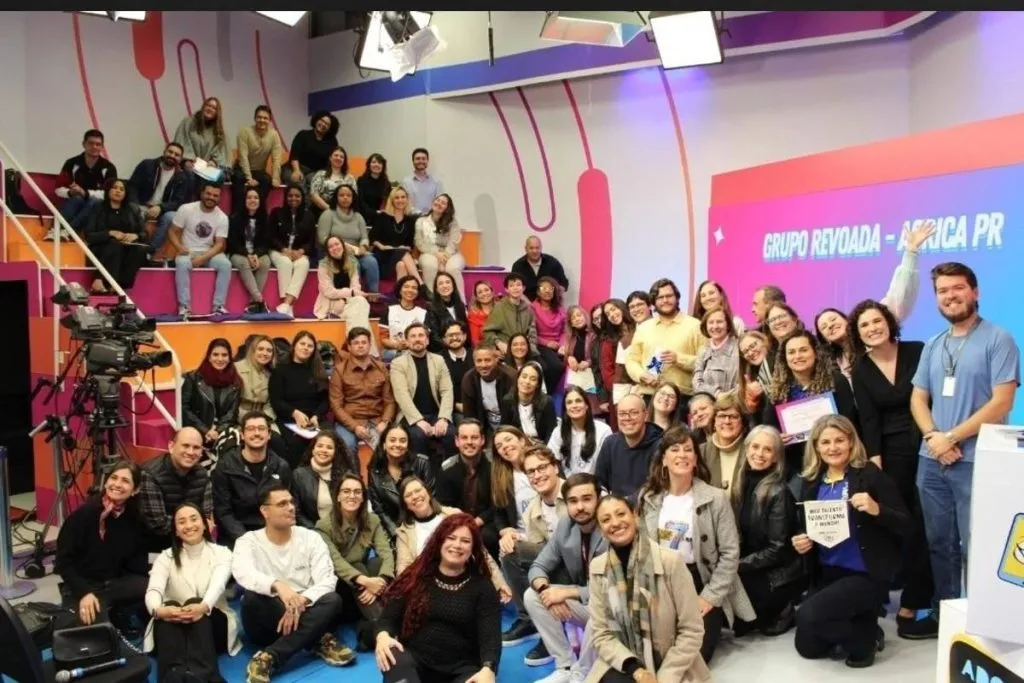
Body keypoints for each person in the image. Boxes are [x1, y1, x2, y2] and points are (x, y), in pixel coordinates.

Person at [910, 262, 1020, 606]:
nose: (950, 296)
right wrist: (934, 437)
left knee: (979, 543)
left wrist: (952, 437)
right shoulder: (933, 344)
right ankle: (946, 613)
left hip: (977, 459)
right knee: (939, 543)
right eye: (942, 291)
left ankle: (980, 615)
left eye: (957, 288)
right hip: (932, 460)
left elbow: (1002, 402)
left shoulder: (998, 339)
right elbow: (918, 398)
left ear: (975, 291)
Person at [791, 415, 911, 668]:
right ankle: (864, 622)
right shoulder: (812, 481)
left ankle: (866, 639)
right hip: (827, 573)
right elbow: (808, 527)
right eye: (825, 442)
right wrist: (803, 541)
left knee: (808, 616)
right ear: (816, 447)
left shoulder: (869, 474)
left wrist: (877, 509)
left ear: (851, 442)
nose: (833, 448)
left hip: (864, 573)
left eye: (839, 440)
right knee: (807, 648)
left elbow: (905, 524)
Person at [849, 298, 937, 638]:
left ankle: (922, 597)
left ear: (888, 321)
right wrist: (875, 461)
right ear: (857, 334)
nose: (872, 328)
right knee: (905, 523)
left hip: (929, 441)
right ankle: (905, 593)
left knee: (929, 522)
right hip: (892, 452)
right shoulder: (861, 368)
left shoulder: (918, 350)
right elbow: (869, 419)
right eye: (864, 325)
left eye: (876, 321)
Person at [636, 426, 754, 663]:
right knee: (655, 649)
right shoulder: (648, 497)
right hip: (661, 581)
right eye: (674, 449)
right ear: (664, 459)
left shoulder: (716, 498)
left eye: (688, 449)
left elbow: (730, 554)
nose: (682, 454)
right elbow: (642, 551)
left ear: (696, 458)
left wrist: (709, 597)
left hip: (701, 581)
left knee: (696, 656)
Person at [232, 483, 355, 681]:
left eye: (291, 502)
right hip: (269, 621)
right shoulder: (248, 541)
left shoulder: (311, 538)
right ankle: (318, 639)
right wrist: (278, 585)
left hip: (305, 609)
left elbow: (327, 579)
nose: (290, 507)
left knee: (333, 599)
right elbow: (243, 573)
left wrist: (300, 602)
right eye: (282, 504)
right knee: (252, 598)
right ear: (265, 511)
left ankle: (270, 657)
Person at [588, 494, 711, 683]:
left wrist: (663, 679)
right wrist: (637, 671)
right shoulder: (597, 568)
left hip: (672, 667)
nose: (615, 523)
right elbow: (601, 633)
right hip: (625, 665)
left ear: (635, 515)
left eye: (621, 514)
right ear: (600, 529)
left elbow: (692, 631)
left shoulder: (670, 562)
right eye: (606, 519)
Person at [374, 512, 501, 683]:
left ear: (473, 548)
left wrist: (488, 668)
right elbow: (388, 618)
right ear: (440, 541)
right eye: (451, 538)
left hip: (461, 668)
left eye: (465, 541)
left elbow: (490, 636)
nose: (457, 545)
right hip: (416, 659)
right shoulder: (417, 575)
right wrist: (382, 636)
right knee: (391, 654)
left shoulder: (482, 587)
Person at [814, 221, 935, 378]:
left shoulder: (870, 326)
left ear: (847, 320)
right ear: (825, 340)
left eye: (833, 319)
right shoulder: (833, 365)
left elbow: (898, 295)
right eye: (824, 327)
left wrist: (910, 252)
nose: (830, 325)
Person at [525, 473, 607, 679]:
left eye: (587, 499)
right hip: (586, 603)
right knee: (532, 596)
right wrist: (547, 592)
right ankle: (566, 666)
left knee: (600, 611)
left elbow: (610, 590)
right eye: (573, 501)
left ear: (599, 498)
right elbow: (538, 566)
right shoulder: (566, 525)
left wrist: (566, 593)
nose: (580, 507)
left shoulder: (610, 526)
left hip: (610, 609)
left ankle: (583, 673)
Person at [144, 503, 239, 682]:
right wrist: (158, 611)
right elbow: (154, 589)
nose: (188, 525)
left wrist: (203, 607)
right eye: (181, 522)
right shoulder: (165, 557)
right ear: (176, 531)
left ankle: (205, 676)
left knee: (194, 602)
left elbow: (218, 585)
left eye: (194, 519)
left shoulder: (222, 553)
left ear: (205, 524)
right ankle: (171, 677)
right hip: (173, 625)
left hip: (212, 625)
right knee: (169, 606)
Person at [729, 426, 805, 636]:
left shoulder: (779, 491)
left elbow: (778, 550)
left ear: (776, 457)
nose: (759, 454)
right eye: (755, 447)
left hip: (776, 570)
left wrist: (737, 566)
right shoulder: (740, 481)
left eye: (768, 450)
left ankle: (784, 609)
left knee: (754, 623)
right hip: (750, 561)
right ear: (746, 449)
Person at [54, 460, 148, 629]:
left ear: (135, 490)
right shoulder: (84, 514)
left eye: (125, 481)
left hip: (114, 583)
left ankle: (121, 614)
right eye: (114, 478)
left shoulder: (133, 517)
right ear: (106, 482)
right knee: (95, 635)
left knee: (157, 589)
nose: (117, 484)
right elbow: (63, 562)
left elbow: (135, 557)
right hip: (84, 585)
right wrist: (84, 593)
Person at [763, 330, 859, 484]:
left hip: (835, 458)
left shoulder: (836, 381)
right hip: (795, 464)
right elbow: (768, 429)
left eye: (803, 350)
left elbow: (849, 422)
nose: (797, 356)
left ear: (815, 352)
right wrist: (778, 438)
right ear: (784, 358)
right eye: (791, 352)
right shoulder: (777, 389)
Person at [316, 472, 395, 652]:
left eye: (357, 492)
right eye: (346, 491)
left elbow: (386, 552)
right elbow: (335, 561)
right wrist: (365, 581)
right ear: (338, 496)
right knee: (358, 565)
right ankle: (384, 628)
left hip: (366, 586)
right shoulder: (324, 526)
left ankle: (373, 627)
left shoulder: (372, 520)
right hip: (342, 586)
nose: (352, 496)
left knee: (377, 564)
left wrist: (382, 580)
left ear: (363, 498)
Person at [498, 447, 565, 658]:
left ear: (555, 467)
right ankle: (532, 621)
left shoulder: (576, 492)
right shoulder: (533, 509)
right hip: (558, 564)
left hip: (584, 563)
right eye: (531, 472)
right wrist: (513, 537)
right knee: (509, 550)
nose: (537, 475)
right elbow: (540, 552)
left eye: (542, 468)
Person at [393, 476, 510, 596]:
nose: (415, 496)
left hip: (465, 581)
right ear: (405, 504)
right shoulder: (404, 532)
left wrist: (499, 583)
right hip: (428, 589)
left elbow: (481, 553)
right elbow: (403, 568)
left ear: (427, 492)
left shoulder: (454, 514)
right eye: (408, 495)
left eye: (418, 490)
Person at [212, 411, 295, 549]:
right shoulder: (225, 466)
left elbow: (288, 506)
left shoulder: (281, 467)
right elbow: (223, 512)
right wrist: (248, 541)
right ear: (242, 435)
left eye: (261, 429)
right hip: (236, 537)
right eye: (251, 429)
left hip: (272, 535)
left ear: (269, 434)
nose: (256, 433)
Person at [626, 278, 705, 404]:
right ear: (653, 302)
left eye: (669, 296)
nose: (665, 300)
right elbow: (631, 360)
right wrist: (641, 375)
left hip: (683, 398)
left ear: (677, 298)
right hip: (649, 395)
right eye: (660, 297)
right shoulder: (643, 328)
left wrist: (679, 359)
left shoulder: (695, 326)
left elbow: (706, 362)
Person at [390, 322, 457, 468]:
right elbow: (402, 395)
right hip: (411, 417)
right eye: (413, 336)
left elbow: (447, 390)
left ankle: (450, 473)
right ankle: (421, 475)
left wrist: (444, 418)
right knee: (418, 436)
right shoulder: (398, 363)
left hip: (436, 414)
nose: (417, 339)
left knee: (451, 434)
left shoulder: (438, 360)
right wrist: (418, 421)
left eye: (421, 335)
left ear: (427, 340)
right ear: (407, 341)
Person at [138, 427, 215, 551]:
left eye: (196, 447)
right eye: (185, 446)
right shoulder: (150, 474)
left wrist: (195, 525)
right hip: (159, 547)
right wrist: (194, 523)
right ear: (171, 446)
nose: (190, 452)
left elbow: (206, 516)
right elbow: (158, 524)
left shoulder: (203, 474)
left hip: (193, 544)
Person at [435, 419, 499, 558]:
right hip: (457, 522)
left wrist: (478, 521)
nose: (469, 442)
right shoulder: (446, 469)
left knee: (487, 537)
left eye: (474, 437)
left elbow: (499, 503)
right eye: (464, 438)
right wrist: (463, 523)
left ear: (482, 440)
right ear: (457, 441)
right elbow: (443, 505)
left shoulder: (494, 466)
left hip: (487, 521)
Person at [169, 183, 231, 319]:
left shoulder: (222, 217)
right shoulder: (186, 209)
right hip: (187, 251)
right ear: (202, 194)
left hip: (209, 252)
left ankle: (218, 306)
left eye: (215, 195)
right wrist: (179, 247)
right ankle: (184, 307)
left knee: (225, 265)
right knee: (182, 264)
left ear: (219, 198)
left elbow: (219, 244)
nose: (211, 197)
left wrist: (203, 258)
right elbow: (172, 231)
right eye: (208, 194)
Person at [269, 330, 331, 468]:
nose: (306, 348)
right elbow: (276, 400)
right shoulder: (280, 370)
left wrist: (316, 416)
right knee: (295, 444)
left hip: (315, 420)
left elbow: (325, 400)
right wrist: (294, 413)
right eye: (302, 344)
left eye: (310, 346)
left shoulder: (318, 370)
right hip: (289, 419)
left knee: (327, 441)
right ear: (294, 346)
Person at [330, 325, 395, 452]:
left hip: (378, 420)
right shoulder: (339, 371)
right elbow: (336, 406)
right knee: (347, 445)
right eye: (356, 343)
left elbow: (390, 400)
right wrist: (355, 427)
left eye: (364, 342)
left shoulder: (381, 368)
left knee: (394, 443)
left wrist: (385, 421)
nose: (360, 346)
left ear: (369, 345)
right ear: (349, 347)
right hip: (350, 421)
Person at [182, 337, 241, 471]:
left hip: (222, 429)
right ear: (208, 356)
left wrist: (217, 431)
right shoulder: (193, 378)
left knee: (232, 443)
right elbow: (184, 409)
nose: (220, 359)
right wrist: (206, 430)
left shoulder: (235, 382)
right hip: (198, 427)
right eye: (215, 354)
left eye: (224, 355)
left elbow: (231, 413)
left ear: (229, 358)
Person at [126, 141, 193, 259]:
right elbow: (132, 186)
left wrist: (161, 207)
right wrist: (137, 205)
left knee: (171, 216)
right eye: (170, 152)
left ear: (180, 159)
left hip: (162, 210)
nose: (172, 156)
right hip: (142, 205)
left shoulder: (182, 176)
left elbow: (179, 202)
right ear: (164, 152)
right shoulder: (147, 165)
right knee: (133, 209)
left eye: (177, 155)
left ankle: (150, 250)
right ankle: (130, 247)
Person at [80, 178, 149, 292]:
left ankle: (121, 284)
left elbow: (145, 234)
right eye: (115, 188)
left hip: (126, 247)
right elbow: (89, 236)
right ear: (108, 190)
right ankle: (101, 280)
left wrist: (136, 236)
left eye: (122, 189)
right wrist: (110, 233)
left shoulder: (133, 209)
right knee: (114, 245)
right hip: (101, 247)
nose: (118, 191)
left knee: (139, 250)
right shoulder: (98, 207)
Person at [367, 425, 435, 538]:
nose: (397, 444)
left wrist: (416, 530)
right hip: (393, 530)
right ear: (384, 444)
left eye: (402, 441)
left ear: (408, 445)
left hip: (422, 525)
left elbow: (432, 499)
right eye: (392, 440)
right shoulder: (375, 471)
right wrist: (397, 533)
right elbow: (379, 510)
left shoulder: (422, 464)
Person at [593, 395, 663, 501]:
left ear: (645, 415)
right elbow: (599, 482)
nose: (627, 418)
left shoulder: (660, 445)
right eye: (622, 414)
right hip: (614, 506)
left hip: (647, 505)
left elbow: (655, 487)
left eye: (634, 413)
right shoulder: (610, 443)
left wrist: (624, 503)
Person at [52, 128, 117, 238]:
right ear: (84, 144)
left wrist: (85, 193)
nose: (94, 147)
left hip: (98, 206)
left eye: (98, 144)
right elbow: (58, 189)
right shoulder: (71, 163)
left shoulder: (109, 168)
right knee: (77, 198)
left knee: (94, 201)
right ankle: (53, 230)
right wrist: (70, 192)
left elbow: (109, 193)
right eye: (91, 143)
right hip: (75, 201)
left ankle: (68, 231)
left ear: (102, 147)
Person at [317, 184, 379, 292]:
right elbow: (323, 238)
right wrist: (344, 247)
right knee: (353, 263)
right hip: (336, 253)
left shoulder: (358, 216)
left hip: (356, 252)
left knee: (371, 262)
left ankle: (373, 294)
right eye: (341, 195)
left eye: (348, 195)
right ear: (336, 197)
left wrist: (363, 246)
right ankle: (353, 295)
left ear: (353, 198)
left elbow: (364, 237)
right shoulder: (327, 214)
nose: (345, 198)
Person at [268, 183, 316, 317]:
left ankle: (286, 304)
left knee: (304, 264)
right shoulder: (276, 212)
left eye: (297, 196)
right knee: (285, 263)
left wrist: (301, 251)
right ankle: (287, 305)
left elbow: (311, 241)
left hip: (299, 252)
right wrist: (283, 249)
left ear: (302, 198)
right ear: (285, 197)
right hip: (278, 250)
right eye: (290, 195)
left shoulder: (309, 216)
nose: (293, 198)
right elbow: (270, 236)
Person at [293, 430, 357, 527]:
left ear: (335, 452)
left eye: (329, 447)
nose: (324, 450)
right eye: (320, 446)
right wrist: (316, 530)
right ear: (313, 450)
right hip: (312, 529)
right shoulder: (299, 475)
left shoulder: (344, 475)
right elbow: (297, 511)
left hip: (342, 527)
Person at [548, 385, 613, 477]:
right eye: (569, 402)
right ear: (565, 409)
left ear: (587, 405)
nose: (574, 405)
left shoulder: (604, 430)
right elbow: (552, 461)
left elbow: (609, 465)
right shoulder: (558, 432)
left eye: (578, 401)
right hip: (568, 483)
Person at [228, 187, 273, 313]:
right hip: (239, 253)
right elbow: (232, 243)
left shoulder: (265, 219)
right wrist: (247, 255)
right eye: (249, 197)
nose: (252, 200)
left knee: (265, 262)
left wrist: (256, 255)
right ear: (244, 200)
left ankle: (253, 303)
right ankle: (260, 300)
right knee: (244, 263)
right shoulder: (235, 218)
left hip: (257, 253)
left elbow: (266, 243)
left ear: (260, 201)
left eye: (256, 198)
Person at [231, 104, 283, 213]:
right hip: (241, 168)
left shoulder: (274, 135)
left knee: (267, 180)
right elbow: (243, 156)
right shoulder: (244, 131)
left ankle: (257, 212)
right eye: (259, 117)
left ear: (270, 120)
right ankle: (237, 213)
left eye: (265, 118)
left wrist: (276, 178)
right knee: (238, 178)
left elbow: (276, 159)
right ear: (255, 118)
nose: (262, 120)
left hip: (259, 170)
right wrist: (249, 178)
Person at [416, 193, 467, 302]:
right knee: (429, 265)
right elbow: (419, 242)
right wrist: (436, 253)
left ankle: (461, 304)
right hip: (429, 252)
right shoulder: (421, 221)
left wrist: (444, 258)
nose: (439, 203)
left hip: (451, 253)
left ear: (447, 208)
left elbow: (453, 242)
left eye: (443, 203)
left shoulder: (452, 222)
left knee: (453, 268)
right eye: (438, 200)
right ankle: (431, 303)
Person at [462, 344, 518, 440]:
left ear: (496, 359)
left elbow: (516, 413)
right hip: (485, 427)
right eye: (479, 361)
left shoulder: (511, 377)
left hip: (510, 426)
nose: (483, 365)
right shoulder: (469, 379)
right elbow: (469, 415)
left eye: (487, 360)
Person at [313, 234, 373, 323]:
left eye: (337, 244)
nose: (334, 248)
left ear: (343, 245)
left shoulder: (353, 262)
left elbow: (356, 286)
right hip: (331, 303)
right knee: (359, 307)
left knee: (360, 302)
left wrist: (349, 297)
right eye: (330, 247)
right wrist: (351, 293)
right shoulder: (323, 265)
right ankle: (360, 332)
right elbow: (329, 292)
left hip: (349, 301)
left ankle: (357, 332)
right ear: (328, 251)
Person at [370, 185, 422, 288]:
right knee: (403, 254)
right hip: (383, 255)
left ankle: (399, 292)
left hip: (400, 256)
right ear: (392, 200)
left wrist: (404, 247)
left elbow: (410, 245)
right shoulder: (383, 217)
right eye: (396, 197)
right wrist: (382, 247)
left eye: (403, 197)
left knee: (401, 264)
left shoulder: (410, 221)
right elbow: (372, 237)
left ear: (407, 199)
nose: (400, 200)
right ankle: (420, 284)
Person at [598, 298, 636, 431]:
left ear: (622, 307)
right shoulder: (608, 341)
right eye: (608, 314)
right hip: (621, 393)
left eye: (613, 309)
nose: (612, 315)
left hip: (645, 386)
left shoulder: (641, 329)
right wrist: (622, 389)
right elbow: (607, 373)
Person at [483, 272, 539, 356]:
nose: (515, 288)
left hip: (524, 351)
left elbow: (532, 331)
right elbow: (487, 332)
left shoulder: (528, 309)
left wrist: (531, 348)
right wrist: (499, 343)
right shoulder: (499, 307)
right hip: (506, 351)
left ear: (523, 288)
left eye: (518, 285)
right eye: (511, 285)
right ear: (506, 289)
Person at [701, 394, 748, 493]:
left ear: (743, 422)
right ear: (714, 421)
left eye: (734, 417)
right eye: (722, 416)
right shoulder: (701, 452)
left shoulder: (751, 450)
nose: (727, 421)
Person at [500, 362, 557, 442]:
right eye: (524, 376)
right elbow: (504, 429)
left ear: (538, 384)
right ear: (518, 378)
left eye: (533, 379)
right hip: (518, 443)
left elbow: (551, 433)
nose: (527, 382)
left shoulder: (546, 402)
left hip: (541, 444)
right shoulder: (508, 401)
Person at [692, 307, 740, 399]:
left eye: (719, 322)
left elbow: (744, 381)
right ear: (705, 326)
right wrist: (717, 394)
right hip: (709, 402)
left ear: (728, 324)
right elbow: (697, 384)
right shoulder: (703, 351)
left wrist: (728, 396)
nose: (715, 326)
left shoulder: (739, 347)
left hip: (735, 402)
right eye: (711, 322)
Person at [532, 275, 569, 394]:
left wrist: (562, 345)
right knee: (555, 366)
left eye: (550, 288)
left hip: (559, 345)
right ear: (538, 292)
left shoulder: (560, 308)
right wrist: (547, 343)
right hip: (540, 344)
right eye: (543, 288)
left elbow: (565, 330)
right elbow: (531, 333)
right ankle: (545, 394)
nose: (547, 291)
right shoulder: (532, 308)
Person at [173, 96, 229, 172]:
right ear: (203, 107)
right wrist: (188, 160)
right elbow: (182, 143)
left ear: (217, 113)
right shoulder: (188, 122)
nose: (210, 109)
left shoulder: (219, 130)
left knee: (220, 176)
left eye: (214, 108)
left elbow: (220, 151)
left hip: (209, 168)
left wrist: (214, 162)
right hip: (188, 165)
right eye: (208, 105)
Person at [380, 275, 428, 361]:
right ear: (400, 290)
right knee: (390, 355)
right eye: (406, 287)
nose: (410, 290)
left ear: (418, 292)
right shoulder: (389, 310)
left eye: (414, 288)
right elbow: (383, 338)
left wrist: (412, 344)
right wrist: (397, 345)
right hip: (394, 351)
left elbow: (426, 338)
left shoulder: (423, 312)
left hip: (417, 349)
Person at [510, 235, 570, 301]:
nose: (534, 251)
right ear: (526, 249)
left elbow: (564, 283)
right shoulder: (518, 266)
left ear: (541, 248)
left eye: (537, 248)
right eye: (531, 248)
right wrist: (530, 305)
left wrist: (556, 297)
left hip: (550, 303)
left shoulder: (552, 262)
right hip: (526, 303)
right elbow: (514, 289)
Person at [287, 110, 339, 182]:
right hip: (294, 168)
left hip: (314, 173)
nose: (323, 124)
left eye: (327, 124)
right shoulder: (303, 134)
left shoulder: (332, 141)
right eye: (322, 120)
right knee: (298, 182)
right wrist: (296, 171)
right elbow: (294, 155)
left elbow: (332, 161)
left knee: (318, 184)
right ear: (316, 120)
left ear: (330, 128)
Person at [425, 271, 470, 354]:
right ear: (436, 289)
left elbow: (465, 330)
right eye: (441, 283)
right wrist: (453, 347)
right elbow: (433, 336)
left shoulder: (460, 305)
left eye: (447, 282)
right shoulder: (431, 308)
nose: (445, 285)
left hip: (461, 349)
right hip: (442, 352)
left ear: (453, 285)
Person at [309, 146, 358, 216]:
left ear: (344, 160)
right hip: (321, 211)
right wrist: (330, 210)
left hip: (344, 212)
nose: (338, 158)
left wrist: (342, 211)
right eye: (336, 155)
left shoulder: (350, 178)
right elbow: (314, 194)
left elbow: (354, 197)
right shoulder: (320, 174)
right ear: (330, 158)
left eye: (341, 157)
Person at [737, 330, 773, 421]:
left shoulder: (779, 362)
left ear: (764, 341)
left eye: (753, 346)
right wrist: (752, 400)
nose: (750, 353)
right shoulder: (749, 377)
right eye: (745, 352)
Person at [401, 147, 445, 214]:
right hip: (412, 218)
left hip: (432, 218)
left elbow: (441, 202)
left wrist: (429, 217)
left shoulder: (436, 181)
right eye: (418, 159)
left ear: (427, 161)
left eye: (423, 159)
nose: (421, 161)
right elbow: (405, 203)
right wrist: (421, 215)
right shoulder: (406, 182)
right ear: (413, 161)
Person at [440, 321, 471, 414]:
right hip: (451, 410)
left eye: (457, 334)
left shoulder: (476, 355)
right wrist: (455, 405)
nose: (454, 338)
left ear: (465, 336)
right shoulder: (438, 360)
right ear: (444, 339)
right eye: (450, 335)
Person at [357, 152, 392, 223]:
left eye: (379, 163)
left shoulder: (387, 183)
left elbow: (389, 201)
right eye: (373, 162)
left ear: (383, 166)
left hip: (382, 218)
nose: (376, 164)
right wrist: (374, 212)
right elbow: (360, 202)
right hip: (365, 217)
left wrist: (383, 212)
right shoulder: (361, 181)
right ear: (369, 165)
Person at [467, 281, 496, 347]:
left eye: (486, 290)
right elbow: (475, 341)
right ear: (476, 297)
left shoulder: (500, 309)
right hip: (484, 350)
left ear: (492, 292)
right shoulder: (473, 315)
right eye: (480, 292)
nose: (484, 294)